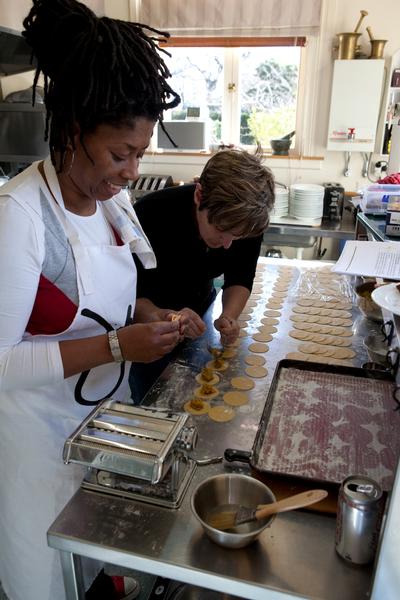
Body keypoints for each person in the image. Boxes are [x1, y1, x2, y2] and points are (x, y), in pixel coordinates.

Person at [0, 1, 182, 599]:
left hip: (102, 432)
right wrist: (112, 345)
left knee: (98, 572)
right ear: (74, 132)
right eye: (119, 153)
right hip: (35, 447)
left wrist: (147, 320)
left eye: (140, 152)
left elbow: (109, 303)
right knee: (46, 582)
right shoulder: (21, 218)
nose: (132, 170)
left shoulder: (111, 201)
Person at [130, 148, 275, 402]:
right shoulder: (150, 215)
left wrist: (228, 316)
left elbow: (240, 277)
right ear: (199, 195)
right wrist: (164, 317)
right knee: (157, 401)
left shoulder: (245, 221)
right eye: (222, 230)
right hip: (148, 328)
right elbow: (131, 298)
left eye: (237, 236)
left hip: (199, 317)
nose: (229, 244)